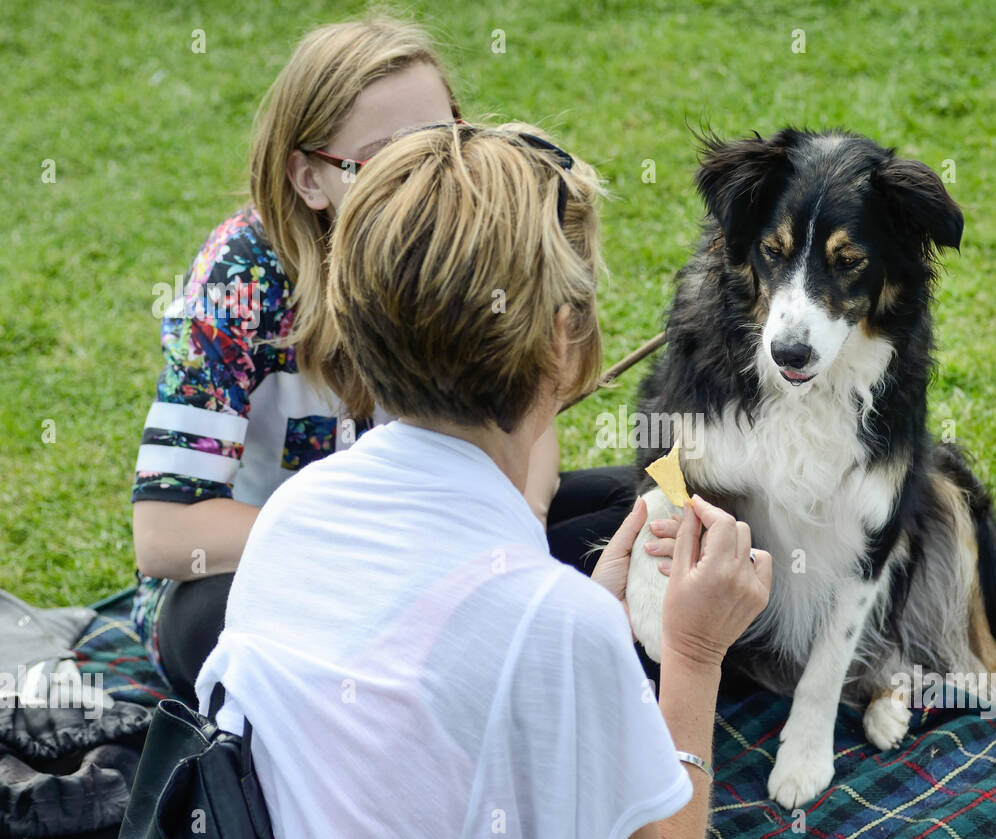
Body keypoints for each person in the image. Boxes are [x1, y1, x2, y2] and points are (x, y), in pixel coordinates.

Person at [194, 122, 773, 839]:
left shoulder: (293, 515)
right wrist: (694, 654)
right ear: (566, 339)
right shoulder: (559, 630)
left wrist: (573, 624)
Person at [130, 16, 647, 708]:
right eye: (382, 160)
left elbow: (524, 407)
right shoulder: (241, 279)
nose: (423, 180)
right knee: (211, 626)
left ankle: (502, 653)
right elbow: (165, 533)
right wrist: (394, 539)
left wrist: (516, 528)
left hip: (440, 544)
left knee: (638, 507)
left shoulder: (465, 232)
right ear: (308, 178)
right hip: (293, 571)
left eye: (442, 143)